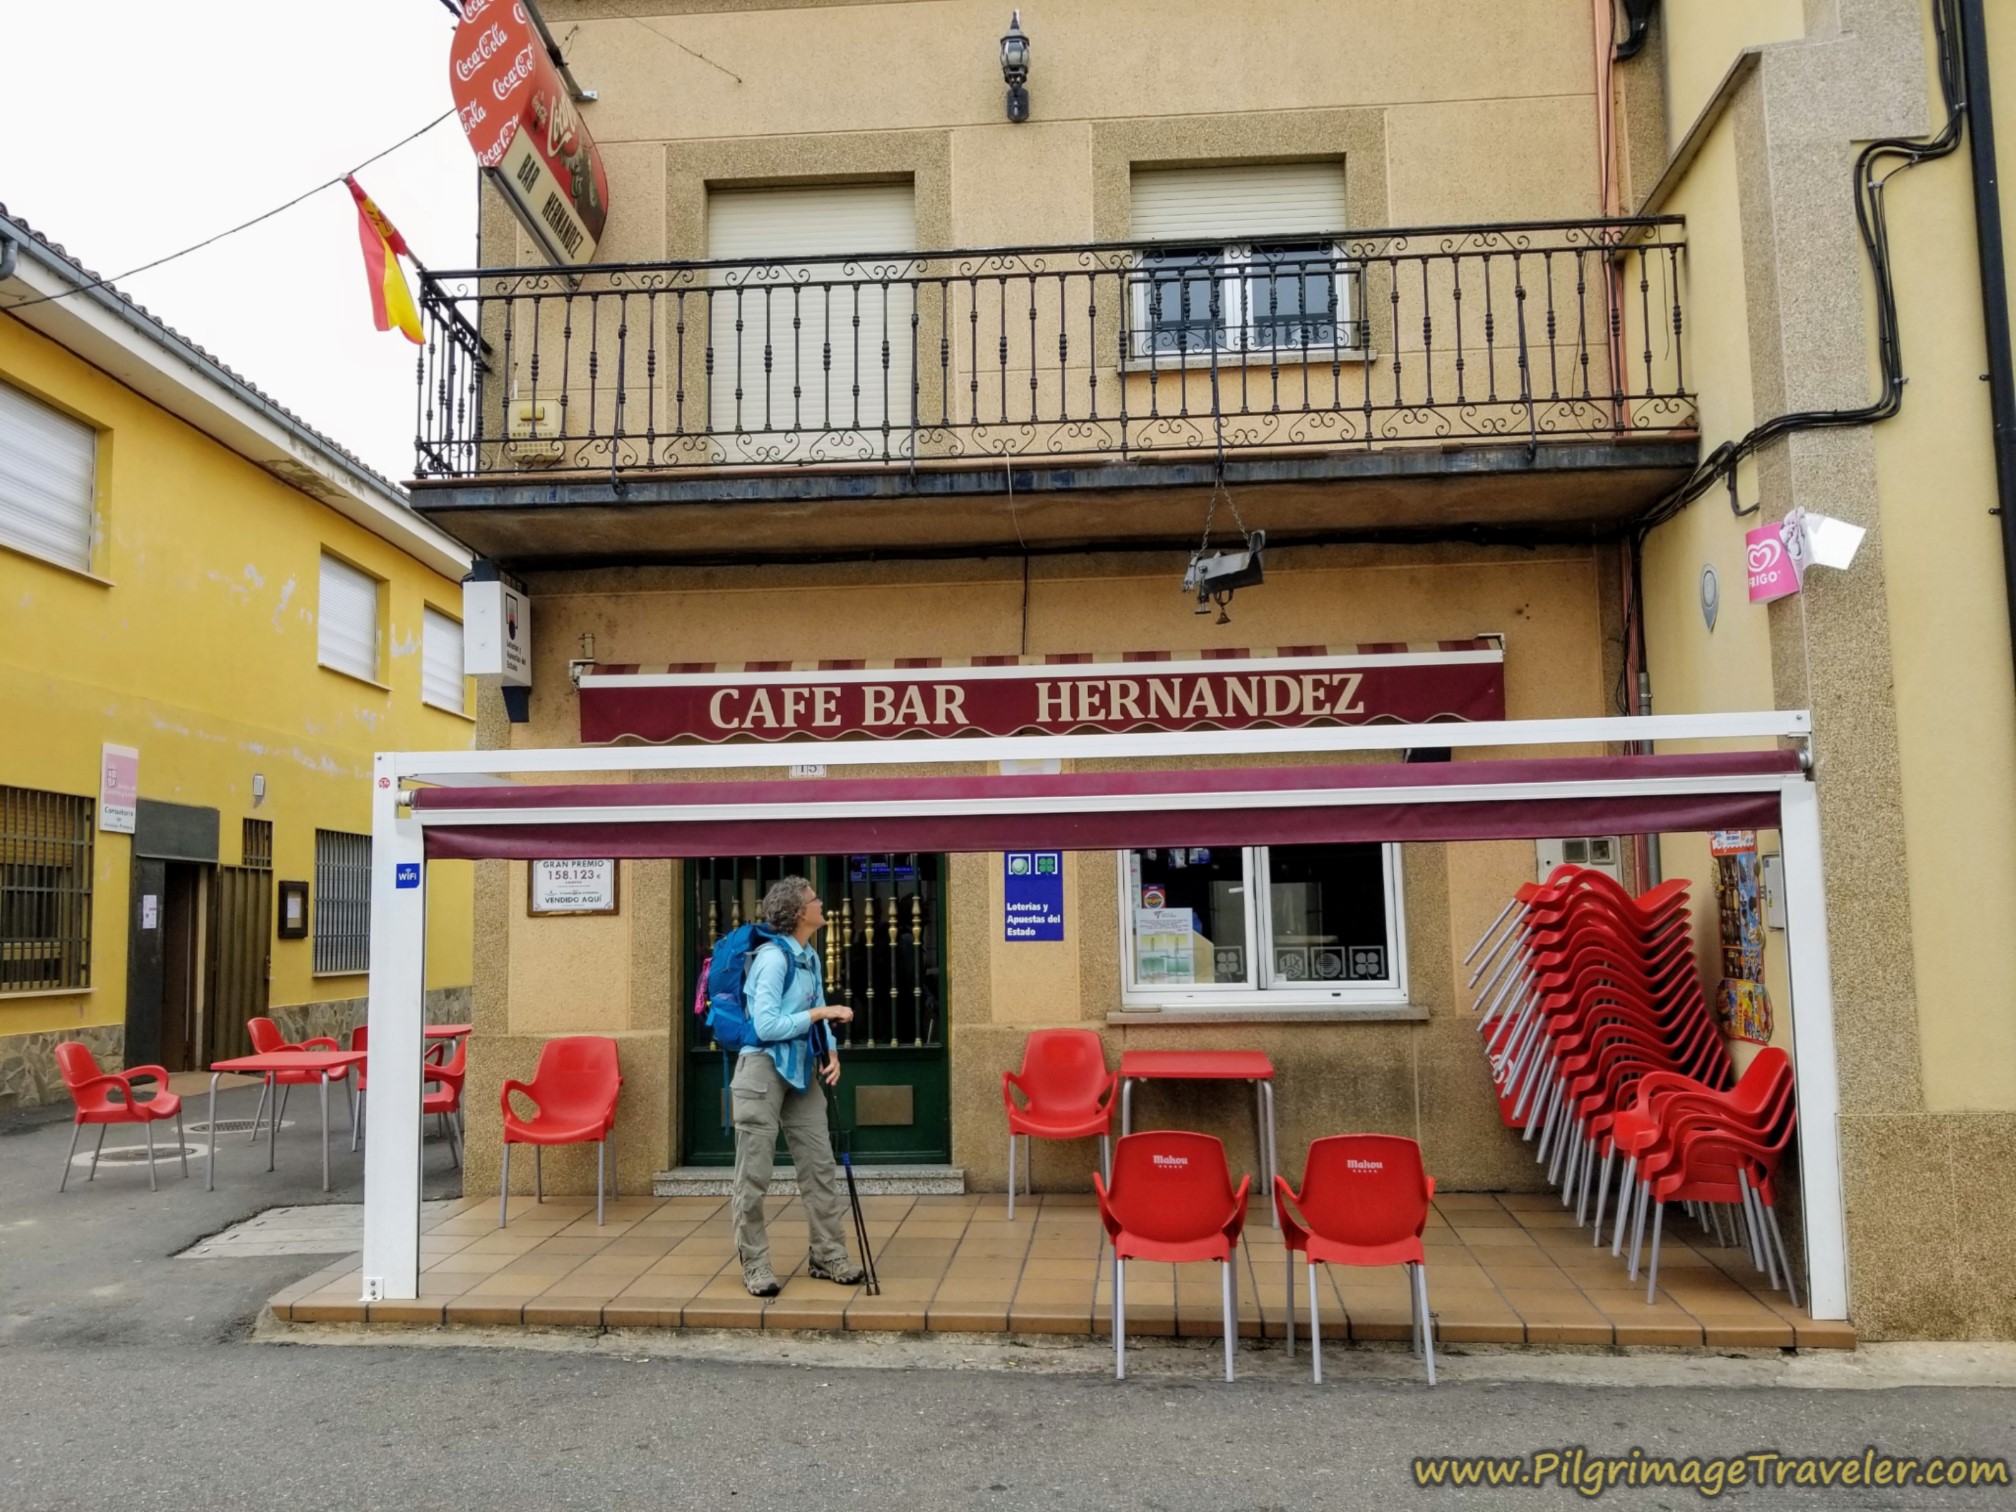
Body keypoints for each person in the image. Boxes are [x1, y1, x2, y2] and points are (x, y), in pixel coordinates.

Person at [731, 875, 866, 1297]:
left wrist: (830, 1052)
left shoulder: (808, 957)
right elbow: (767, 1025)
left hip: (802, 1070)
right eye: (812, 898)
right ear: (796, 912)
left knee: (819, 1167)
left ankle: (827, 1255)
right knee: (753, 1175)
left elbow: (813, 1012)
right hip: (761, 1071)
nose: (820, 901)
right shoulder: (774, 959)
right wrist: (822, 1012)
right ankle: (754, 1264)